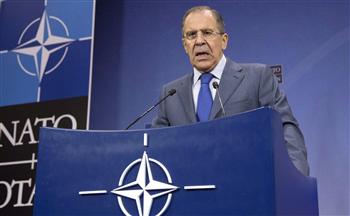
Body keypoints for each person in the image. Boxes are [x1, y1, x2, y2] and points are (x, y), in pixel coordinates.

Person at [152, 6, 309, 176]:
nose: (199, 41)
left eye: (207, 32)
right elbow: (154, 146)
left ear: (224, 40)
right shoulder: (170, 93)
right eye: (191, 35)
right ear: (185, 45)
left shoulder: (257, 77)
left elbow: (285, 129)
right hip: (190, 191)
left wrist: (296, 177)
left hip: (246, 187)